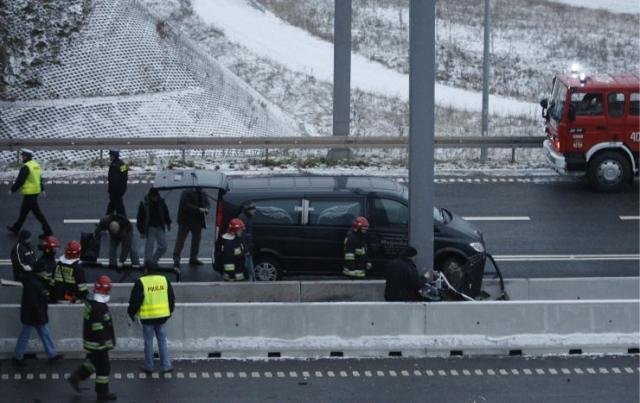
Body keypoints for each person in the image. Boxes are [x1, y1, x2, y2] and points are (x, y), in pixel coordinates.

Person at [68, 275, 117, 401]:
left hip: (92, 341)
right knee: (104, 367)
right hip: (98, 343)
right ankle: (102, 393)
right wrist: (105, 342)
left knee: (94, 362)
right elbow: (98, 327)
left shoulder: (91, 301)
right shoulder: (99, 307)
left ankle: (76, 377)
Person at [12, 255, 63, 367]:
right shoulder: (36, 284)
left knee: (27, 335)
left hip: (30, 314)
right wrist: (41, 316)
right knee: (42, 334)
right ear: (39, 272)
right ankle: (52, 355)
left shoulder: (32, 280)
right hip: (35, 315)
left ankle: (18, 356)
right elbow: (36, 303)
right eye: (44, 271)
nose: (46, 273)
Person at [127, 263, 175, 374]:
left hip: (147, 318)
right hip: (162, 317)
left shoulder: (141, 282)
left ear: (146, 270)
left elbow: (135, 301)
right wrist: (169, 312)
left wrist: (131, 314)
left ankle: (149, 366)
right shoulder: (164, 280)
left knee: (148, 342)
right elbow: (171, 298)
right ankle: (166, 365)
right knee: (162, 341)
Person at [7, 149, 53, 238]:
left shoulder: (26, 167)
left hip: (30, 193)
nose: (22, 158)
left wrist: (12, 190)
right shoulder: (36, 165)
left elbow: (20, 180)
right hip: (35, 191)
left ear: (26, 157)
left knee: (38, 214)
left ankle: (48, 231)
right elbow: (39, 178)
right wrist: (42, 189)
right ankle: (16, 228)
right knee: (23, 212)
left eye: (23, 156)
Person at [172, 188, 210, 269]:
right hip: (185, 220)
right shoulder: (186, 192)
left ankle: (193, 258)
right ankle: (176, 259)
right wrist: (199, 209)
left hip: (197, 221)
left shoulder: (202, 193)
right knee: (181, 240)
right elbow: (185, 205)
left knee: (196, 240)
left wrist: (207, 208)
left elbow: (207, 203)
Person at [137, 188, 172, 266]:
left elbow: (166, 213)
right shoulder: (144, 204)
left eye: (156, 196)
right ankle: (148, 263)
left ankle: (152, 262)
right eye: (153, 197)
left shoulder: (161, 202)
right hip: (150, 228)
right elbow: (140, 219)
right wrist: (141, 231)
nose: (155, 198)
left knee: (163, 247)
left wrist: (168, 223)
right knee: (149, 248)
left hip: (159, 227)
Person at [237, 201, 256, 281]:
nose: (254, 211)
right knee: (248, 266)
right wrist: (246, 249)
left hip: (248, 246)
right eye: (253, 209)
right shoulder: (243, 218)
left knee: (249, 265)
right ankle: (250, 280)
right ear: (248, 210)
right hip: (246, 247)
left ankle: (252, 279)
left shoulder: (247, 217)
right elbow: (242, 236)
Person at [106, 149, 128, 216]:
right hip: (120, 190)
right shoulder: (123, 165)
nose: (110, 157)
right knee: (115, 207)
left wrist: (111, 190)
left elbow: (113, 180)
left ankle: (106, 221)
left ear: (114, 156)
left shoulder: (113, 165)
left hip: (115, 191)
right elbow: (125, 177)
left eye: (111, 155)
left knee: (117, 208)